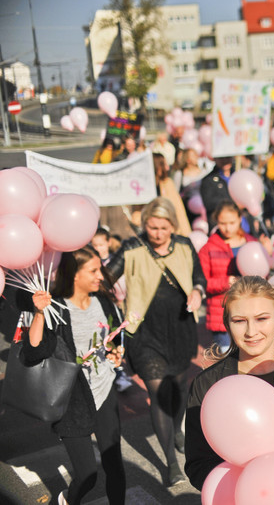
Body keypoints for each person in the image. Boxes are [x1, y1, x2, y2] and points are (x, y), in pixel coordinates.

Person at [107, 197, 207, 487]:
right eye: (152, 227)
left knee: (178, 386)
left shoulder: (185, 246)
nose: (158, 233)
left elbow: (198, 276)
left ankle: (177, 429)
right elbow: (104, 277)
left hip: (180, 327)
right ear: (145, 224)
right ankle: (171, 463)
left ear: (172, 226)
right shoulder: (132, 248)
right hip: (144, 332)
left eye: (164, 227)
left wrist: (198, 291)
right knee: (158, 391)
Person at [23, 247, 126, 505]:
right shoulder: (56, 307)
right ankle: (69, 499)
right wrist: (38, 313)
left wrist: (115, 353)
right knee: (87, 474)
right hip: (72, 399)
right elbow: (33, 351)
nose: (101, 275)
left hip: (104, 389)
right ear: (74, 275)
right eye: (93, 271)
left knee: (114, 465)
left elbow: (111, 338)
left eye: (100, 268)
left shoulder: (103, 301)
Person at [184, 276, 274, 490]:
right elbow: (198, 464)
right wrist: (248, 485)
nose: (251, 332)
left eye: (262, 318)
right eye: (239, 321)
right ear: (227, 323)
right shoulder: (207, 385)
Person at [198, 201, 258, 353]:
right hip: (222, 315)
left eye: (232, 222)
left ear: (240, 219)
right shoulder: (208, 248)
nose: (228, 228)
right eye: (222, 223)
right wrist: (226, 282)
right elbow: (201, 282)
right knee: (227, 359)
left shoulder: (251, 243)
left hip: (251, 311)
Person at [91, 227, 134, 392]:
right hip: (105, 307)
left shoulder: (116, 261)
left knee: (121, 339)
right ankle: (117, 373)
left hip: (121, 304)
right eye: (95, 245)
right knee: (107, 340)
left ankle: (121, 370)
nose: (98, 248)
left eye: (101, 244)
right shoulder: (94, 265)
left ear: (108, 243)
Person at [153, 153, 192, 237]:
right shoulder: (145, 188)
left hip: (170, 232)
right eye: (164, 164)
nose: (167, 168)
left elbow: (179, 209)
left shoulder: (167, 183)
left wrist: (186, 234)